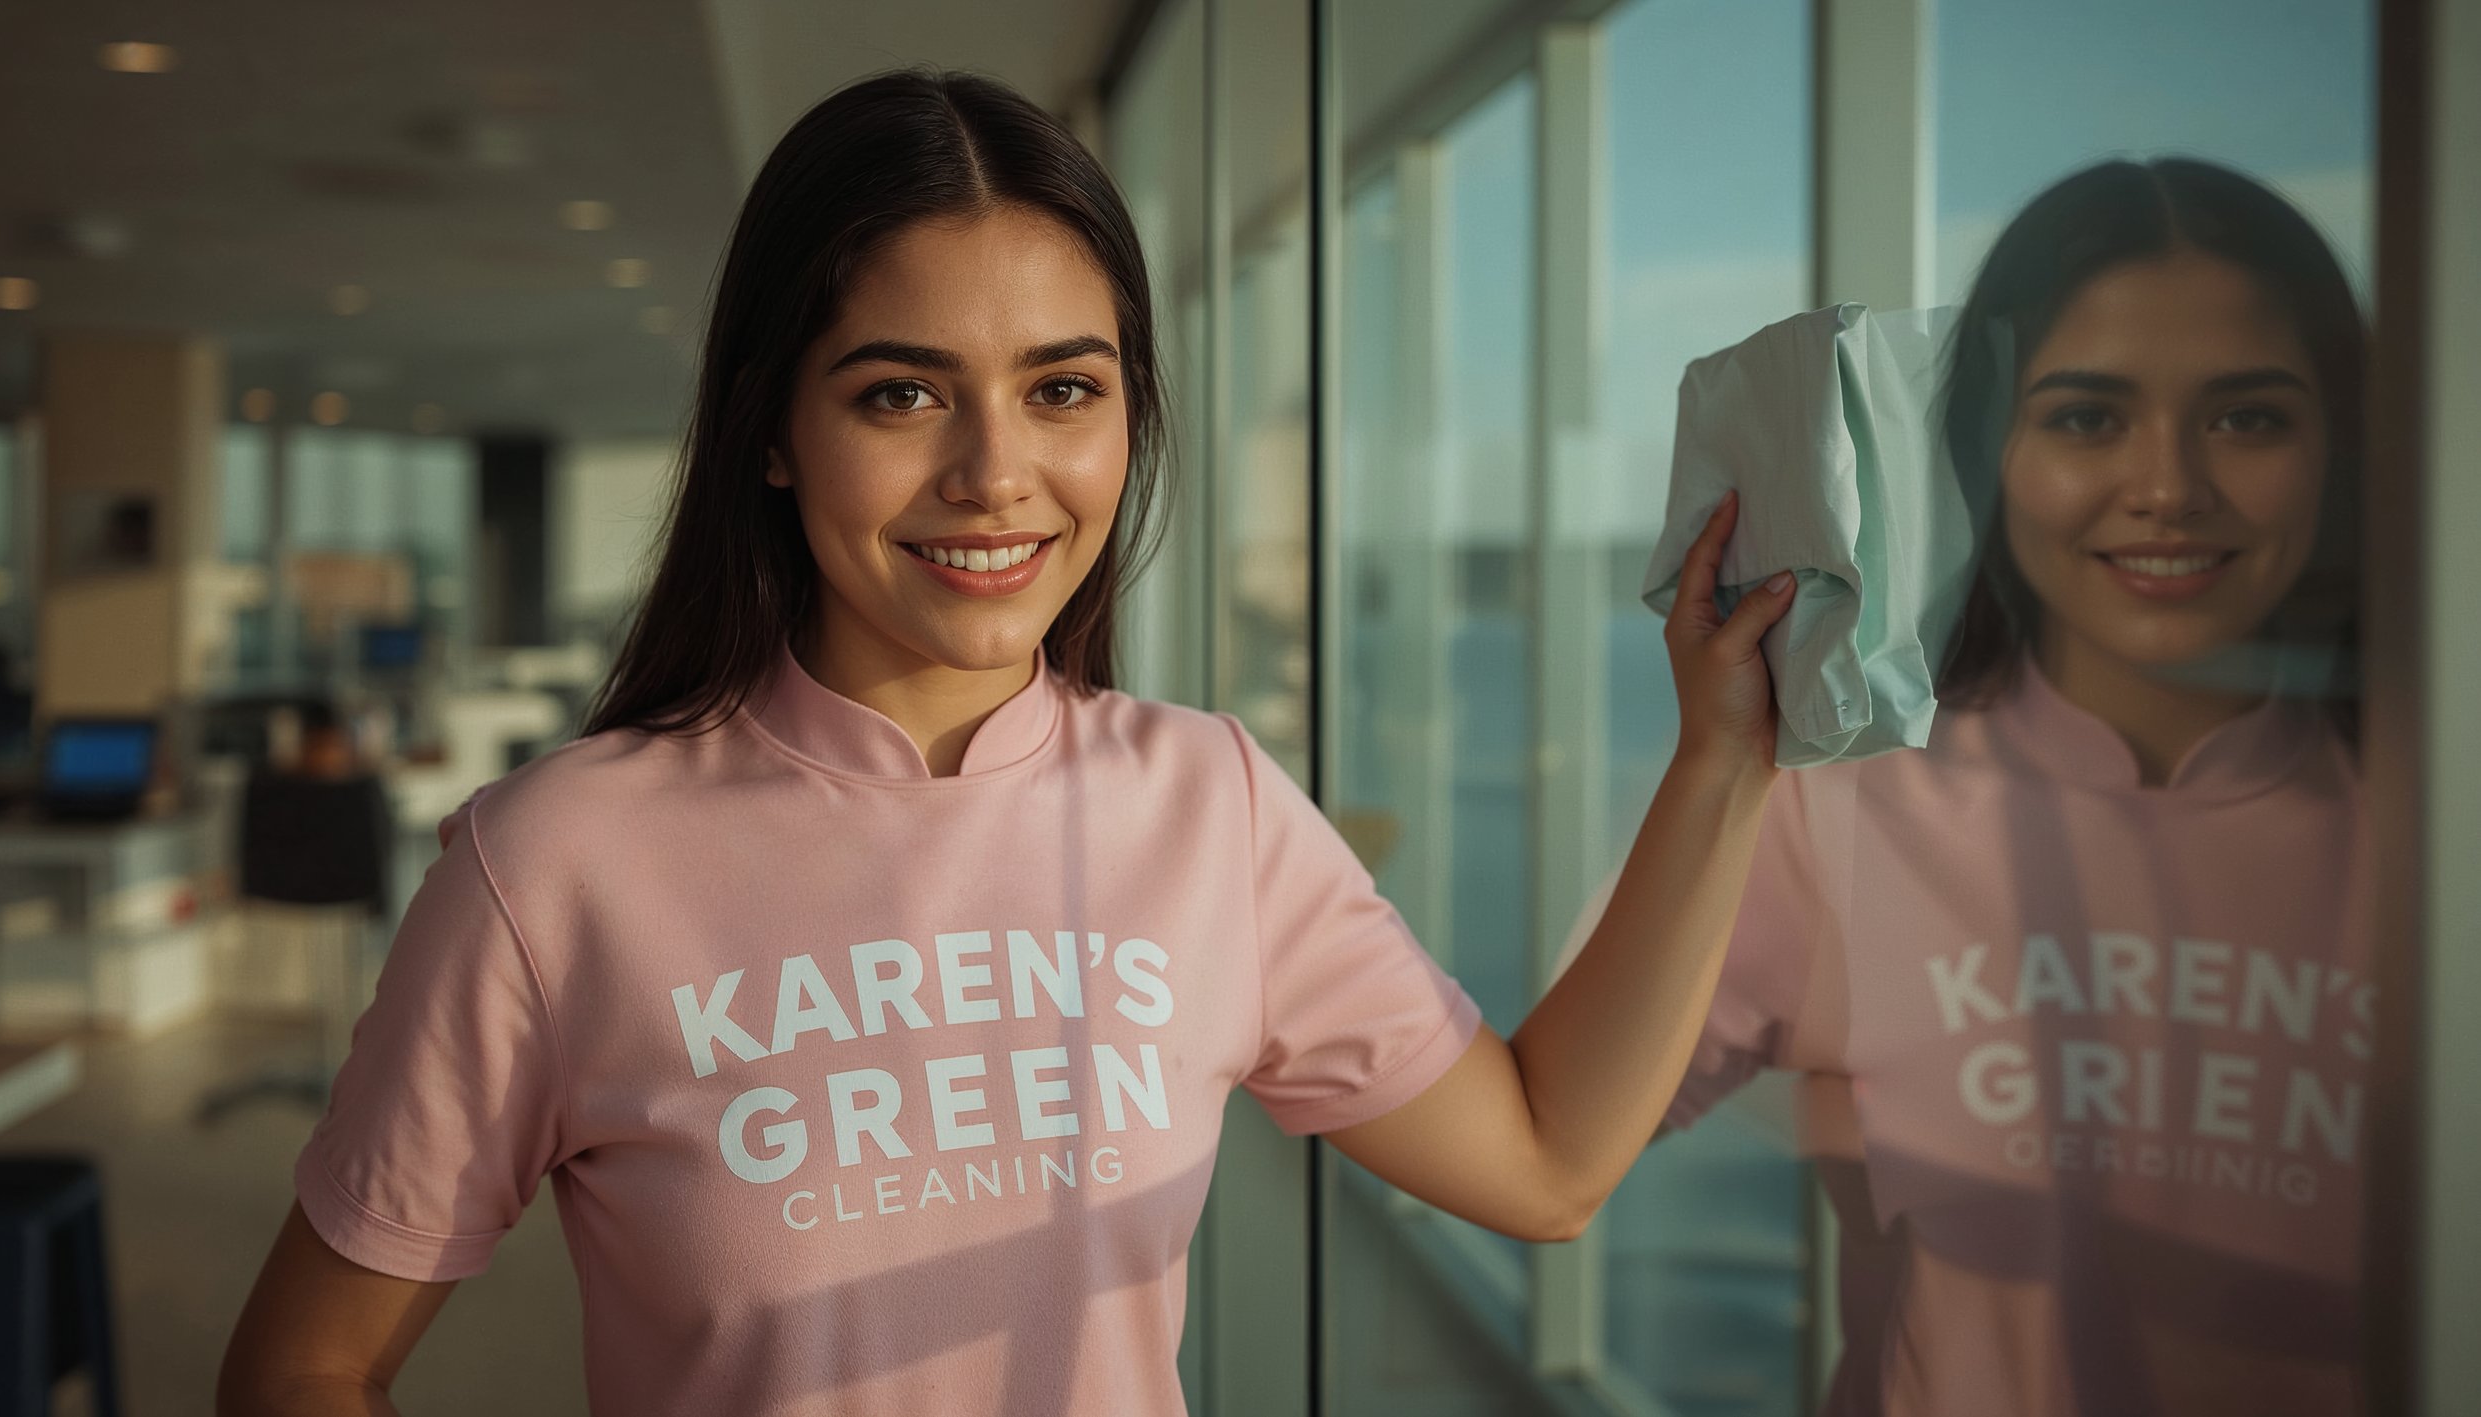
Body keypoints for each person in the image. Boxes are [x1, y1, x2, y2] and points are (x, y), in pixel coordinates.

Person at [217, 70, 1800, 1417]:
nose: (998, 473)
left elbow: (1544, 1163)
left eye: (1063, 389)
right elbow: (304, 1365)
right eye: (903, 394)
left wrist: (1718, 760)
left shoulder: (1211, 807)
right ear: (773, 429)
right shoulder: (557, 864)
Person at [1563, 157, 2369, 1416]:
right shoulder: (1848, 802)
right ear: (1986, 447)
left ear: (2345, 448)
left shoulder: (2428, 835)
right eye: (2086, 416)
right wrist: (1718, 760)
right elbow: (1551, 1138)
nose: (2167, 483)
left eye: (2246, 416)